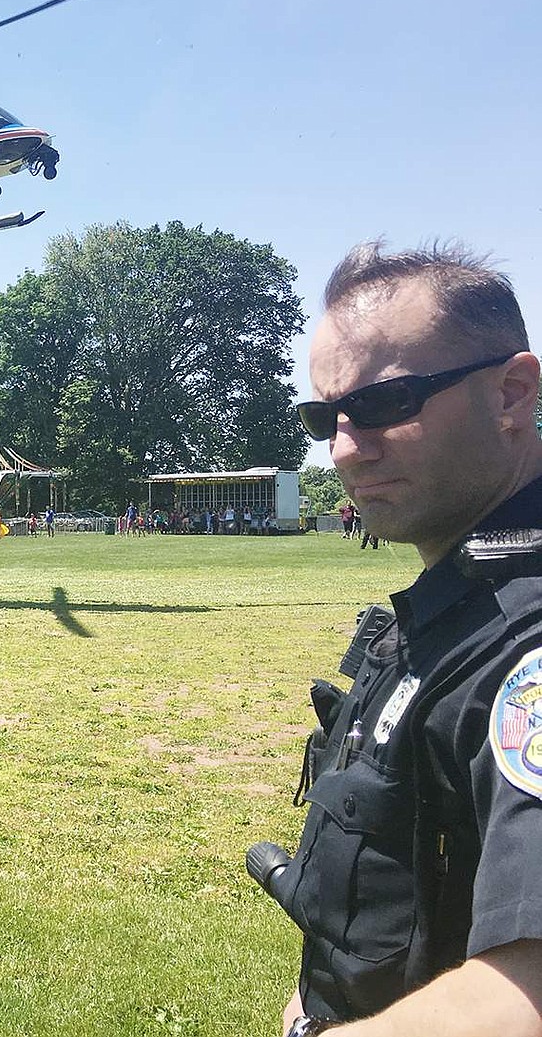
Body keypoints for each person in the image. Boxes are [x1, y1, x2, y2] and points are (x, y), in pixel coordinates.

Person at [252, 241, 542, 1037]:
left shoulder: (529, 644)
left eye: (385, 404)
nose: (344, 447)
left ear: (513, 392)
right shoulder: (461, 610)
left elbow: (526, 998)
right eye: (326, 416)